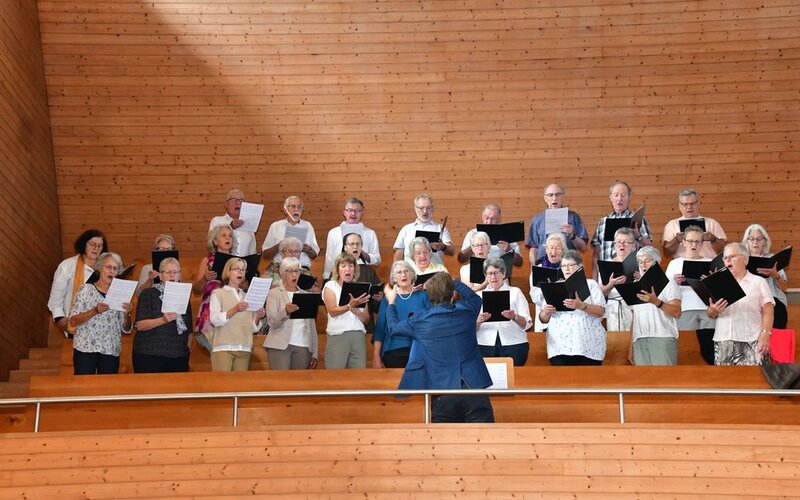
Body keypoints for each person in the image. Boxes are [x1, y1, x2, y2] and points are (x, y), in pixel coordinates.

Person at [384, 272, 495, 423]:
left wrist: (391, 302)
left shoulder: (420, 321)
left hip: (442, 392)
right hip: (473, 388)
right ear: (453, 294)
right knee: (482, 441)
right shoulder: (466, 311)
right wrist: (452, 280)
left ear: (428, 296)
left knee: (444, 444)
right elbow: (475, 298)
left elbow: (394, 327)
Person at [532, 250, 607, 365]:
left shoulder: (591, 284)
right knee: (563, 381)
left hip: (588, 345)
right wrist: (546, 312)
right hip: (560, 346)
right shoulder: (554, 286)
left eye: (571, 265)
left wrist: (582, 306)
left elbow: (601, 311)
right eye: (563, 266)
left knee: (589, 381)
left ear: (580, 266)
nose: (567, 269)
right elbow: (543, 318)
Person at [706, 243, 774, 366]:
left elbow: (768, 311)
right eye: (725, 258)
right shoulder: (718, 283)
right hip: (723, 341)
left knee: (754, 382)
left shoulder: (758, 282)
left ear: (745, 259)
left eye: (732, 256)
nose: (728, 260)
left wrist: (765, 334)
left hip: (752, 341)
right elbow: (710, 314)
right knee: (725, 382)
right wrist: (713, 310)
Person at [67, 252, 132, 374]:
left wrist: (126, 314)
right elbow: (73, 320)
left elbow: (126, 329)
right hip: (86, 348)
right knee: (83, 389)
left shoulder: (120, 294)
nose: (111, 271)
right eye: (108, 267)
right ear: (100, 268)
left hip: (110, 350)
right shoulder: (86, 289)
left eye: (115, 268)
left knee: (108, 390)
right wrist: (95, 311)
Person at [664, 225, 717, 365]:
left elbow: (717, 290)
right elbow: (664, 289)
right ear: (683, 242)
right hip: (684, 309)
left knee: (709, 348)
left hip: (707, 309)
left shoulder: (709, 262)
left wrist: (710, 280)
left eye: (697, 241)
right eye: (690, 241)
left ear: (702, 243)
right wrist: (674, 281)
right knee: (687, 348)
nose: (694, 245)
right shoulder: (674, 263)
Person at [133, 257, 192, 373]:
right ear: (160, 276)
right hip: (149, 354)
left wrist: (187, 349)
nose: (172, 275)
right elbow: (140, 325)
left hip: (179, 355)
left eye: (175, 272)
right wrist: (163, 320)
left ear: (179, 276)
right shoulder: (148, 294)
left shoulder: (184, 297)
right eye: (168, 272)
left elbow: (189, 329)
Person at [208, 258, 266, 371]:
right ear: (228, 272)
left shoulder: (248, 296)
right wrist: (235, 309)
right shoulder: (218, 293)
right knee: (223, 387)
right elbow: (214, 320)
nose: (240, 272)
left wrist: (258, 317)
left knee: (240, 387)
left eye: (243, 270)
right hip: (223, 348)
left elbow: (253, 328)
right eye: (236, 269)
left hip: (244, 348)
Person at [48, 229, 108, 338]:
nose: (96, 248)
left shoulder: (106, 269)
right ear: (83, 244)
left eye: (100, 246)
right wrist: (62, 321)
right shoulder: (67, 266)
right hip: (76, 328)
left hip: (101, 329)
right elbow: (55, 300)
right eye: (93, 244)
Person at [628, 247, 682, 366]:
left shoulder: (668, 282)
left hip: (662, 337)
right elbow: (635, 318)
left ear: (657, 262)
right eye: (640, 262)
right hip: (640, 339)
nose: (643, 264)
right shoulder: (635, 286)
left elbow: (677, 311)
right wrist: (631, 346)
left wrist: (657, 302)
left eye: (647, 260)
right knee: (643, 383)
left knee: (664, 382)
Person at [263, 257, 319, 370]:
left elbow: (312, 327)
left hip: (303, 346)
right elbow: (272, 323)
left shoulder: (306, 295)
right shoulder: (274, 294)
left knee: (299, 385)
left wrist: (315, 353)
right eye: (290, 271)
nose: (294, 274)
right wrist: (286, 311)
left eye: (297, 271)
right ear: (283, 274)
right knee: (281, 384)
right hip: (279, 345)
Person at [475, 257, 532, 366]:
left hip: (514, 343)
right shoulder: (478, 296)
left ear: (504, 273)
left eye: (496, 273)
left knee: (514, 379)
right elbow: (470, 328)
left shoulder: (515, 292)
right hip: (484, 344)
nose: (493, 277)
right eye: (489, 273)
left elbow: (527, 323)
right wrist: (478, 321)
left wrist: (514, 317)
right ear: (485, 276)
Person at [591, 181, 652, 280]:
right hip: (606, 275)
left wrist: (638, 237)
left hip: (631, 274)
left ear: (629, 197)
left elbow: (649, 248)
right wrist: (595, 280)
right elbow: (595, 256)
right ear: (611, 197)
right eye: (616, 195)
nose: (619, 199)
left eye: (623, 195)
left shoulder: (638, 219)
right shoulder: (602, 222)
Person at [373, 260, 428, 368]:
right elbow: (379, 330)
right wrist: (376, 356)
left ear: (413, 275)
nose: (403, 275)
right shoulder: (388, 299)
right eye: (399, 272)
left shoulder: (423, 296)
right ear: (394, 278)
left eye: (406, 271)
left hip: (418, 350)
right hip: (392, 351)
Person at [322, 252, 370, 369]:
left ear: (355, 269)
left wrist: (358, 312)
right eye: (343, 266)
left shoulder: (360, 288)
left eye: (351, 266)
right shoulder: (330, 286)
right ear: (337, 270)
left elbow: (366, 319)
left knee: (359, 377)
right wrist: (349, 306)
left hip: (358, 335)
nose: (347, 269)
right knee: (335, 376)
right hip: (338, 335)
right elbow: (332, 311)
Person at [193, 225, 235, 350]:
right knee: (218, 355)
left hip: (232, 311)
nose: (228, 238)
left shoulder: (238, 262)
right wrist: (205, 278)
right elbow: (196, 290)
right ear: (215, 241)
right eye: (223, 235)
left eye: (230, 236)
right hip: (210, 314)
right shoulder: (207, 261)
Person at [526, 183, 589, 264]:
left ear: (562, 197)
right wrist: (533, 268)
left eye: (558, 194)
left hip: (568, 265)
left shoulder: (573, 217)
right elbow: (533, 248)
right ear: (545, 198)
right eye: (550, 195)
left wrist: (573, 236)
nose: (554, 198)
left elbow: (583, 247)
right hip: (544, 264)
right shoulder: (537, 220)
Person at [743, 224, 789, 329]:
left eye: (759, 239)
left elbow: (785, 288)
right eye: (751, 239)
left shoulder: (773, 259)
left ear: (765, 242)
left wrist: (774, 275)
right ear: (747, 242)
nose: (755, 242)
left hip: (775, 305)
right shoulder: (742, 260)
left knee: (776, 342)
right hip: (750, 307)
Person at [323, 197, 381, 279]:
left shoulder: (370, 233)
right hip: (340, 272)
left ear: (362, 213)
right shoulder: (333, 232)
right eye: (350, 210)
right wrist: (326, 276)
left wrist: (362, 253)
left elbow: (377, 259)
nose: (353, 213)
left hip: (363, 273)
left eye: (357, 211)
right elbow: (329, 257)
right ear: (344, 212)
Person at [662, 189, 727, 259]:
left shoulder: (712, 223)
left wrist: (713, 239)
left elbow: (724, 251)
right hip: (682, 265)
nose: (689, 207)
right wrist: (676, 240)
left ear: (698, 204)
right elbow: (666, 253)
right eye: (685, 204)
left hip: (708, 264)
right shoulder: (672, 225)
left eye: (692, 204)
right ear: (679, 207)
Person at [393, 192, 454, 264]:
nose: (425, 211)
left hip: (436, 272)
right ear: (415, 208)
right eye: (421, 208)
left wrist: (443, 246)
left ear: (432, 208)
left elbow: (451, 251)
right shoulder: (406, 229)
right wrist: (396, 272)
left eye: (428, 208)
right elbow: (399, 254)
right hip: (411, 272)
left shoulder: (440, 228)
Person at [262, 195, 320, 269]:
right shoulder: (275, 226)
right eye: (293, 206)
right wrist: (279, 246)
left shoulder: (308, 226)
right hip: (279, 267)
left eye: (299, 207)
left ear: (302, 210)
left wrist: (309, 250)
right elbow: (266, 255)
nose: (296, 209)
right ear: (285, 210)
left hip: (302, 268)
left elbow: (314, 256)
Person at [457, 203, 522, 267]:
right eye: (486, 218)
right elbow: (461, 259)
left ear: (499, 219)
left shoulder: (506, 234)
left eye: (493, 219)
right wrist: (473, 246)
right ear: (482, 218)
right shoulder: (472, 234)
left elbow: (519, 262)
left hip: (499, 273)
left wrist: (509, 249)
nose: (489, 222)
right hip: (478, 271)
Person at [599, 227, 637, 331]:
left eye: (626, 242)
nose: (621, 244)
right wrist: (611, 285)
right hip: (613, 308)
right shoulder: (606, 265)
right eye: (619, 242)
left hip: (634, 309)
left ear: (633, 245)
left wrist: (640, 280)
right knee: (617, 342)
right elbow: (601, 293)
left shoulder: (640, 264)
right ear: (615, 245)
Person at [209, 188, 256, 257]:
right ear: (226, 205)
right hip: (223, 265)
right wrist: (231, 226)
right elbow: (212, 244)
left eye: (241, 201)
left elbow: (252, 251)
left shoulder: (249, 224)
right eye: (234, 200)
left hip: (244, 266)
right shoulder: (217, 221)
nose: (238, 203)